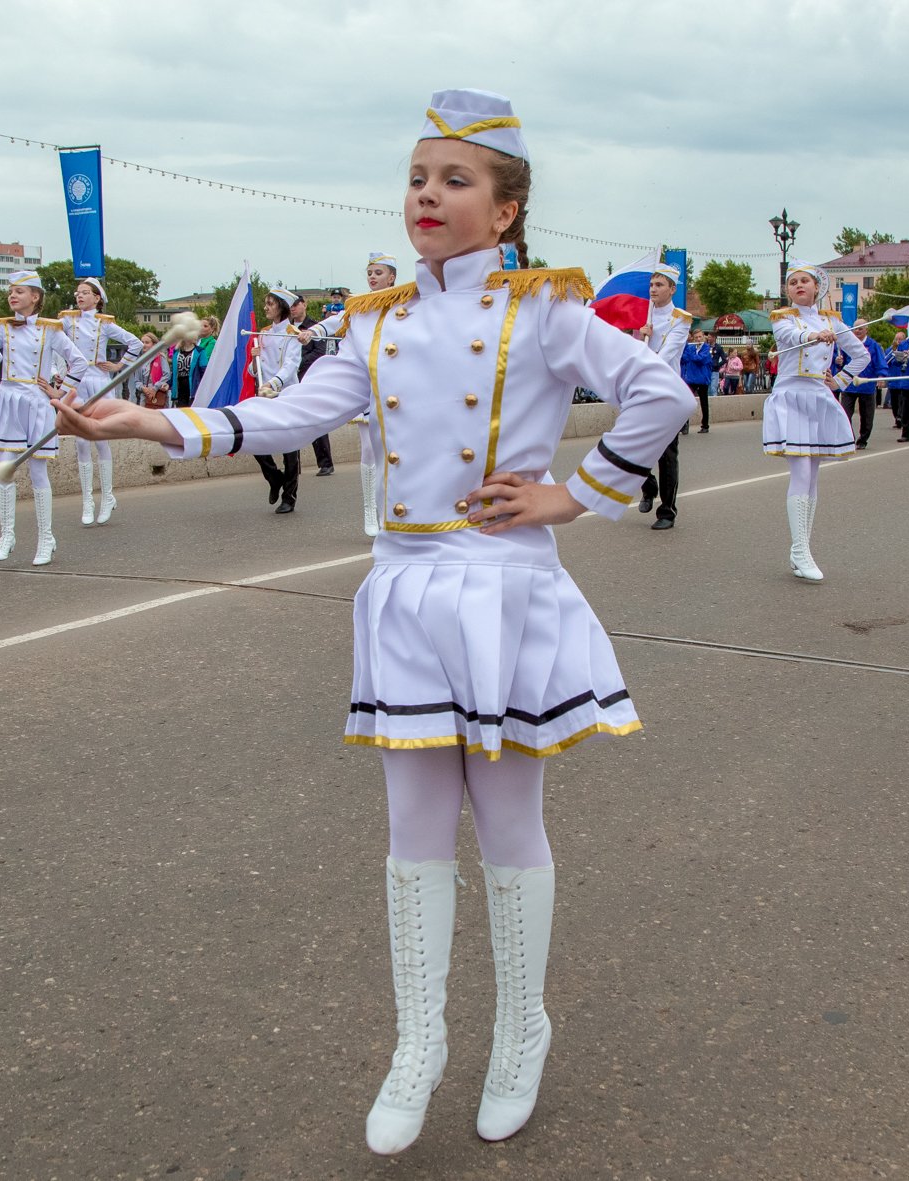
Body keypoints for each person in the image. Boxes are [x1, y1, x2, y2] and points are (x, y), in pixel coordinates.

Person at [53, 88, 694, 1156]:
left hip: (497, 584)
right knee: (409, 830)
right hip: (403, 586)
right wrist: (155, 418)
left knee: (505, 823)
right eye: (415, 177)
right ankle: (418, 1041)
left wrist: (572, 494)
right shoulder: (376, 321)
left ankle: (520, 1029)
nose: (426, 196)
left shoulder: (545, 309)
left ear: (505, 210)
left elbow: (659, 393)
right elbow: (292, 411)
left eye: (453, 179)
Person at [764, 262, 869, 581]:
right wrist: (815, 334)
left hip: (819, 396)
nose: (798, 285)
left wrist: (840, 380)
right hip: (791, 394)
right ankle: (799, 550)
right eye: (793, 282)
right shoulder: (782, 318)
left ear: (816, 288)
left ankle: (802, 550)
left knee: (813, 476)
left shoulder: (832, 321)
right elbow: (792, 337)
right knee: (801, 469)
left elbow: (861, 355)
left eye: (804, 281)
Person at [0, 270, 88, 566]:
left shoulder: (50, 330)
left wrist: (59, 391)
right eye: (10, 292)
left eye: (19, 291)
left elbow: (78, 361)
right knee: (4, 467)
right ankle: (7, 535)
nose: (12, 296)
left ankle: (45, 537)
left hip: (35, 402)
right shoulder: (0, 329)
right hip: (8, 400)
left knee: (38, 471)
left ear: (35, 297)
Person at [300, 252, 403, 535]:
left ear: (392, 277)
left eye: (379, 273)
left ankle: (394, 510)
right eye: (370, 272)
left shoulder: (405, 302)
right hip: (368, 386)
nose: (372, 277)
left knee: (396, 451)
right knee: (369, 449)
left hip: (398, 387)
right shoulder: (359, 305)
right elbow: (336, 321)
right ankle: (371, 511)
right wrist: (314, 330)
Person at [59, 278, 143, 525]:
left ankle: (107, 495)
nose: (79, 296)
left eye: (85, 293)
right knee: (81, 442)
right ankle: (87, 500)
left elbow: (135, 343)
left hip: (99, 380)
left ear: (97, 298)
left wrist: (119, 365)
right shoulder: (66, 321)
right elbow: (51, 344)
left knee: (101, 439)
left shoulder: (104, 324)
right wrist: (58, 370)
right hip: (76, 382)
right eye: (77, 293)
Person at [633, 262, 690, 530]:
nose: (653, 289)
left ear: (671, 289)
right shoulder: (642, 315)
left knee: (667, 454)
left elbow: (666, 357)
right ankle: (648, 484)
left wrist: (646, 350)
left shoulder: (681, 319)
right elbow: (630, 353)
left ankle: (667, 511)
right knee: (633, 446)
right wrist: (638, 336)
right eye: (652, 284)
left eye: (659, 285)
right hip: (641, 390)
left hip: (666, 391)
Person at [251, 289, 303, 514]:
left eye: (270, 304)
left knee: (291, 448)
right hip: (265, 394)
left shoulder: (293, 333)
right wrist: (254, 360)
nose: (266, 307)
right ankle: (274, 477)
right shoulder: (262, 333)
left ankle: (289, 496)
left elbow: (291, 365)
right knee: (254, 438)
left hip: (287, 394)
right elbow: (255, 371)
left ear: (281, 306)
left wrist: (273, 384)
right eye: (265, 303)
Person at [289, 294, 336, 474]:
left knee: (316, 421)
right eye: (290, 306)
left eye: (295, 304)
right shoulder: (286, 329)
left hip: (309, 378)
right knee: (291, 422)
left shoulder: (316, 328)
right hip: (290, 381)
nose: (292, 308)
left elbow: (320, 352)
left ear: (304, 305)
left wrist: (296, 363)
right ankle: (294, 466)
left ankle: (325, 463)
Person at [837, 323, 884, 449]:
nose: (857, 331)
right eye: (855, 328)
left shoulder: (873, 345)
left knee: (867, 416)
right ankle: (849, 439)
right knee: (845, 413)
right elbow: (841, 363)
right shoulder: (847, 344)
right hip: (849, 385)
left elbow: (880, 362)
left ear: (866, 330)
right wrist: (838, 363)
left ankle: (863, 439)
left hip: (866, 385)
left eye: (860, 329)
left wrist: (881, 376)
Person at [679, 328, 712, 432]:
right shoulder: (690, 347)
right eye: (696, 337)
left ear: (703, 337)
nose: (698, 339)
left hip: (702, 379)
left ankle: (705, 426)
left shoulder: (706, 348)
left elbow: (701, 359)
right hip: (691, 378)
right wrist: (689, 353)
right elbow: (683, 358)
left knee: (704, 403)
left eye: (700, 337)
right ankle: (685, 425)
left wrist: (692, 356)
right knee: (686, 402)